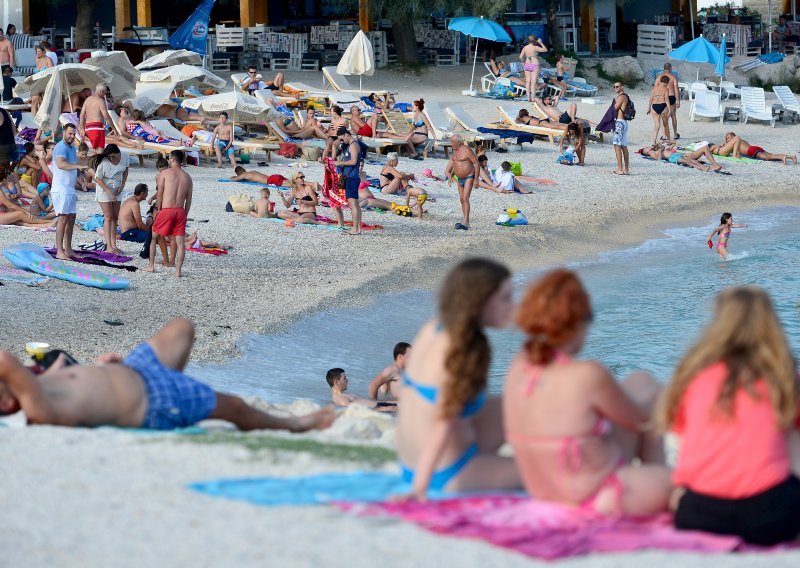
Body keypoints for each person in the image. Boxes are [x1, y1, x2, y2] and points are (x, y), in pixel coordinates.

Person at [504, 268, 672, 515]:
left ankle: (652, 472)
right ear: (577, 321)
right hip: (597, 497)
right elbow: (642, 422)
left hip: (545, 490)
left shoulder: (519, 367)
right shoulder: (588, 374)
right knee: (683, 483)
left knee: (640, 381)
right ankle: (656, 470)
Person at [0, 319, 336, 431]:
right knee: (234, 407)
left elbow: (59, 372)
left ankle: (179, 387)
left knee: (181, 328)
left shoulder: (33, 389)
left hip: (135, 371)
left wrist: (98, 368)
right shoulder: (36, 408)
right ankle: (295, 425)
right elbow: (6, 362)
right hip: (153, 401)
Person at [659, 287, 800, 545]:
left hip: (699, 515)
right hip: (769, 517)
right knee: (789, 431)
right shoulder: (784, 379)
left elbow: (678, 435)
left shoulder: (692, 376)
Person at [395, 258, 521, 501]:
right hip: (443, 472)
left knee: (525, 404)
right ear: (480, 300)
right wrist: (419, 490)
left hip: (411, 460)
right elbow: (445, 421)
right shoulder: (464, 350)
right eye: (506, 298)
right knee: (546, 473)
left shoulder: (436, 327)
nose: (512, 306)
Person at [144, 150, 192, 277]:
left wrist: (159, 210)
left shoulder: (165, 173)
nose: (169, 161)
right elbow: (189, 200)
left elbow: (160, 194)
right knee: (180, 242)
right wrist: (185, 215)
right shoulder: (187, 177)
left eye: (170, 159)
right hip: (180, 211)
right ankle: (178, 271)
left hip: (166, 210)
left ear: (173, 159)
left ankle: (151, 266)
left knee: (154, 237)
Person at [51, 124, 87, 260]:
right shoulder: (61, 147)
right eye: (70, 134)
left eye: (74, 134)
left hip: (69, 188)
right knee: (63, 218)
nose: (72, 136)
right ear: (64, 132)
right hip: (61, 188)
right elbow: (61, 164)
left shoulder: (72, 147)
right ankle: (60, 251)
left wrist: (79, 174)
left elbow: (71, 165)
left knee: (71, 218)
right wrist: (78, 166)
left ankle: (69, 249)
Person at [92, 144, 128, 254]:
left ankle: (114, 244)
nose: (112, 159)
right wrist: (108, 192)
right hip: (104, 189)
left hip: (117, 188)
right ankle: (108, 246)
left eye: (114, 156)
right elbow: (98, 178)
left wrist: (122, 186)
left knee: (115, 217)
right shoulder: (103, 162)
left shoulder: (124, 156)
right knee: (108, 216)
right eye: (110, 157)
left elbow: (126, 170)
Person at [332, 128, 365, 235]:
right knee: (355, 204)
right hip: (350, 177)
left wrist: (340, 163)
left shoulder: (354, 145)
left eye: (342, 139)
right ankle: (357, 228)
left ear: (346, 134)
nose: (342, 142)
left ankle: (355, 229)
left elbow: (354, 161)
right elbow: (335, 145)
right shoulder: (349, 145)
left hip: (352, 177)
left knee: (353, 204)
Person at [444, 134, 479, 230]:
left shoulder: (466, 150)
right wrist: (451, 176)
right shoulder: (455, 151)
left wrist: (476, 180)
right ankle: (464, 220)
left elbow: (476, 163)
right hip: (459, 178)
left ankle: (466, 222)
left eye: (453, 143)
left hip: (469, 176)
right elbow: (454, 164)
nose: (451, 145)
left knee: (465, 198)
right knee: (461, 199)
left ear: (458, 142)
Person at [326, 368, 396, 411]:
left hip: (378, 404)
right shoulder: (340, 399)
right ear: (336, 382)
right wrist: (385, 409)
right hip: (378, 408)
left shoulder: (344, 394)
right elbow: (356, 413)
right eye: (344, 378)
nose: (347, 380)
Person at [710, 132, 797, 164]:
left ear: (733, 136)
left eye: (728, 138)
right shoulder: (740, 141)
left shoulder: (736, 141)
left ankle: (783, 157)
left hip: (751, 150)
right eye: (726, 138)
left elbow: (731, 150)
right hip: (754, 147)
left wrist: (723, 145)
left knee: (767, 158)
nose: (727, 139)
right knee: (772, 155)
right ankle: (791, 157)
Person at [637, 144, 724, 173]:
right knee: (688, 161)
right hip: (672, 157)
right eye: (646, 148)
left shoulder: (653, 151)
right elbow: (659, 159)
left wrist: (661, 148)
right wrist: (660, 150)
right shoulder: (651, 153)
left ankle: (705, 167)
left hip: (675, 156)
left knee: (689, 160)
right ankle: (702, 167)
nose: (648, 147)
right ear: (645, 152)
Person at [79, 83, 113, 151]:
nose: (105, 96)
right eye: (105, 93)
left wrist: (82, 128)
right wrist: (114, 128)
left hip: (88, 128)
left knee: (94, 151)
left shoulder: (87, 99)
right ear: (101, 92)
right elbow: (106, 116)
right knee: (100, 152)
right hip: (97, 128)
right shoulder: (101, 101)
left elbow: (81, 115)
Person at [656, 62, 680, 140]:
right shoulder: (673, 77)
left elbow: (655, 89)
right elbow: (676, 89)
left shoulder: (659, 77)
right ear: (670, 68)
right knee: (673, 116)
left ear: (663, 68)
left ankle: (664, 135)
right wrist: (678, 100)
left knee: (664, 116)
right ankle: (675, 134)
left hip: (662, 97)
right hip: (671, 97)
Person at [519, 35, 547, 102]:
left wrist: (524, 62)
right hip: (534, 63)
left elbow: (520, 57)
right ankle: (533, 98)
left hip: (527, 63)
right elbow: (545, 50)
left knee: (528, 81)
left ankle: (528, 97)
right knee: (533, 82)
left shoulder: (525, 47)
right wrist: (541, 42)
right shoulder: (535, 47)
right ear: (535, 40)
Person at [647, 75, 672, 146]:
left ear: (660, 81)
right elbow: (666, 99)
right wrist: (670, 109)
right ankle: (668, 140)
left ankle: (653, 142)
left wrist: (649, 108)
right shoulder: (666, 89)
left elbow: (651, 99)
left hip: (654, 106)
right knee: (666, 124)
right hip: (663, 106)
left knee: (657, 126)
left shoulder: (654, 89)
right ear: (667, 82)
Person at [612, 82, 631, 175]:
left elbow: (614, 108)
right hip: (624, 123)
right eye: (614, 86)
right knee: (623, 146)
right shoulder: (626, 96)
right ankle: (626, 169)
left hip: (619, 123)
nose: (615, 88)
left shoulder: (621, 97)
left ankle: (620, 169)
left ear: (622, 87)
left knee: (617, 145)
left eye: (617, 86)